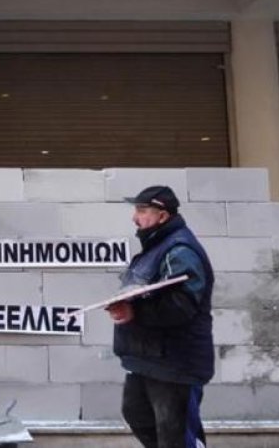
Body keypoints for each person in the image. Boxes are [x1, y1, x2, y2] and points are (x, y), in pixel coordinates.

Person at [105, 185, 214, 448]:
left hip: (175, 363)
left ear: (163, 215)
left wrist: (134, 311)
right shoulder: (155, 249)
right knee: (137, 414)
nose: (135, 217)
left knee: (175, 435)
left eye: (142, 210)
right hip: (145, 358)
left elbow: (181, 304)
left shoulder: (180, 251)